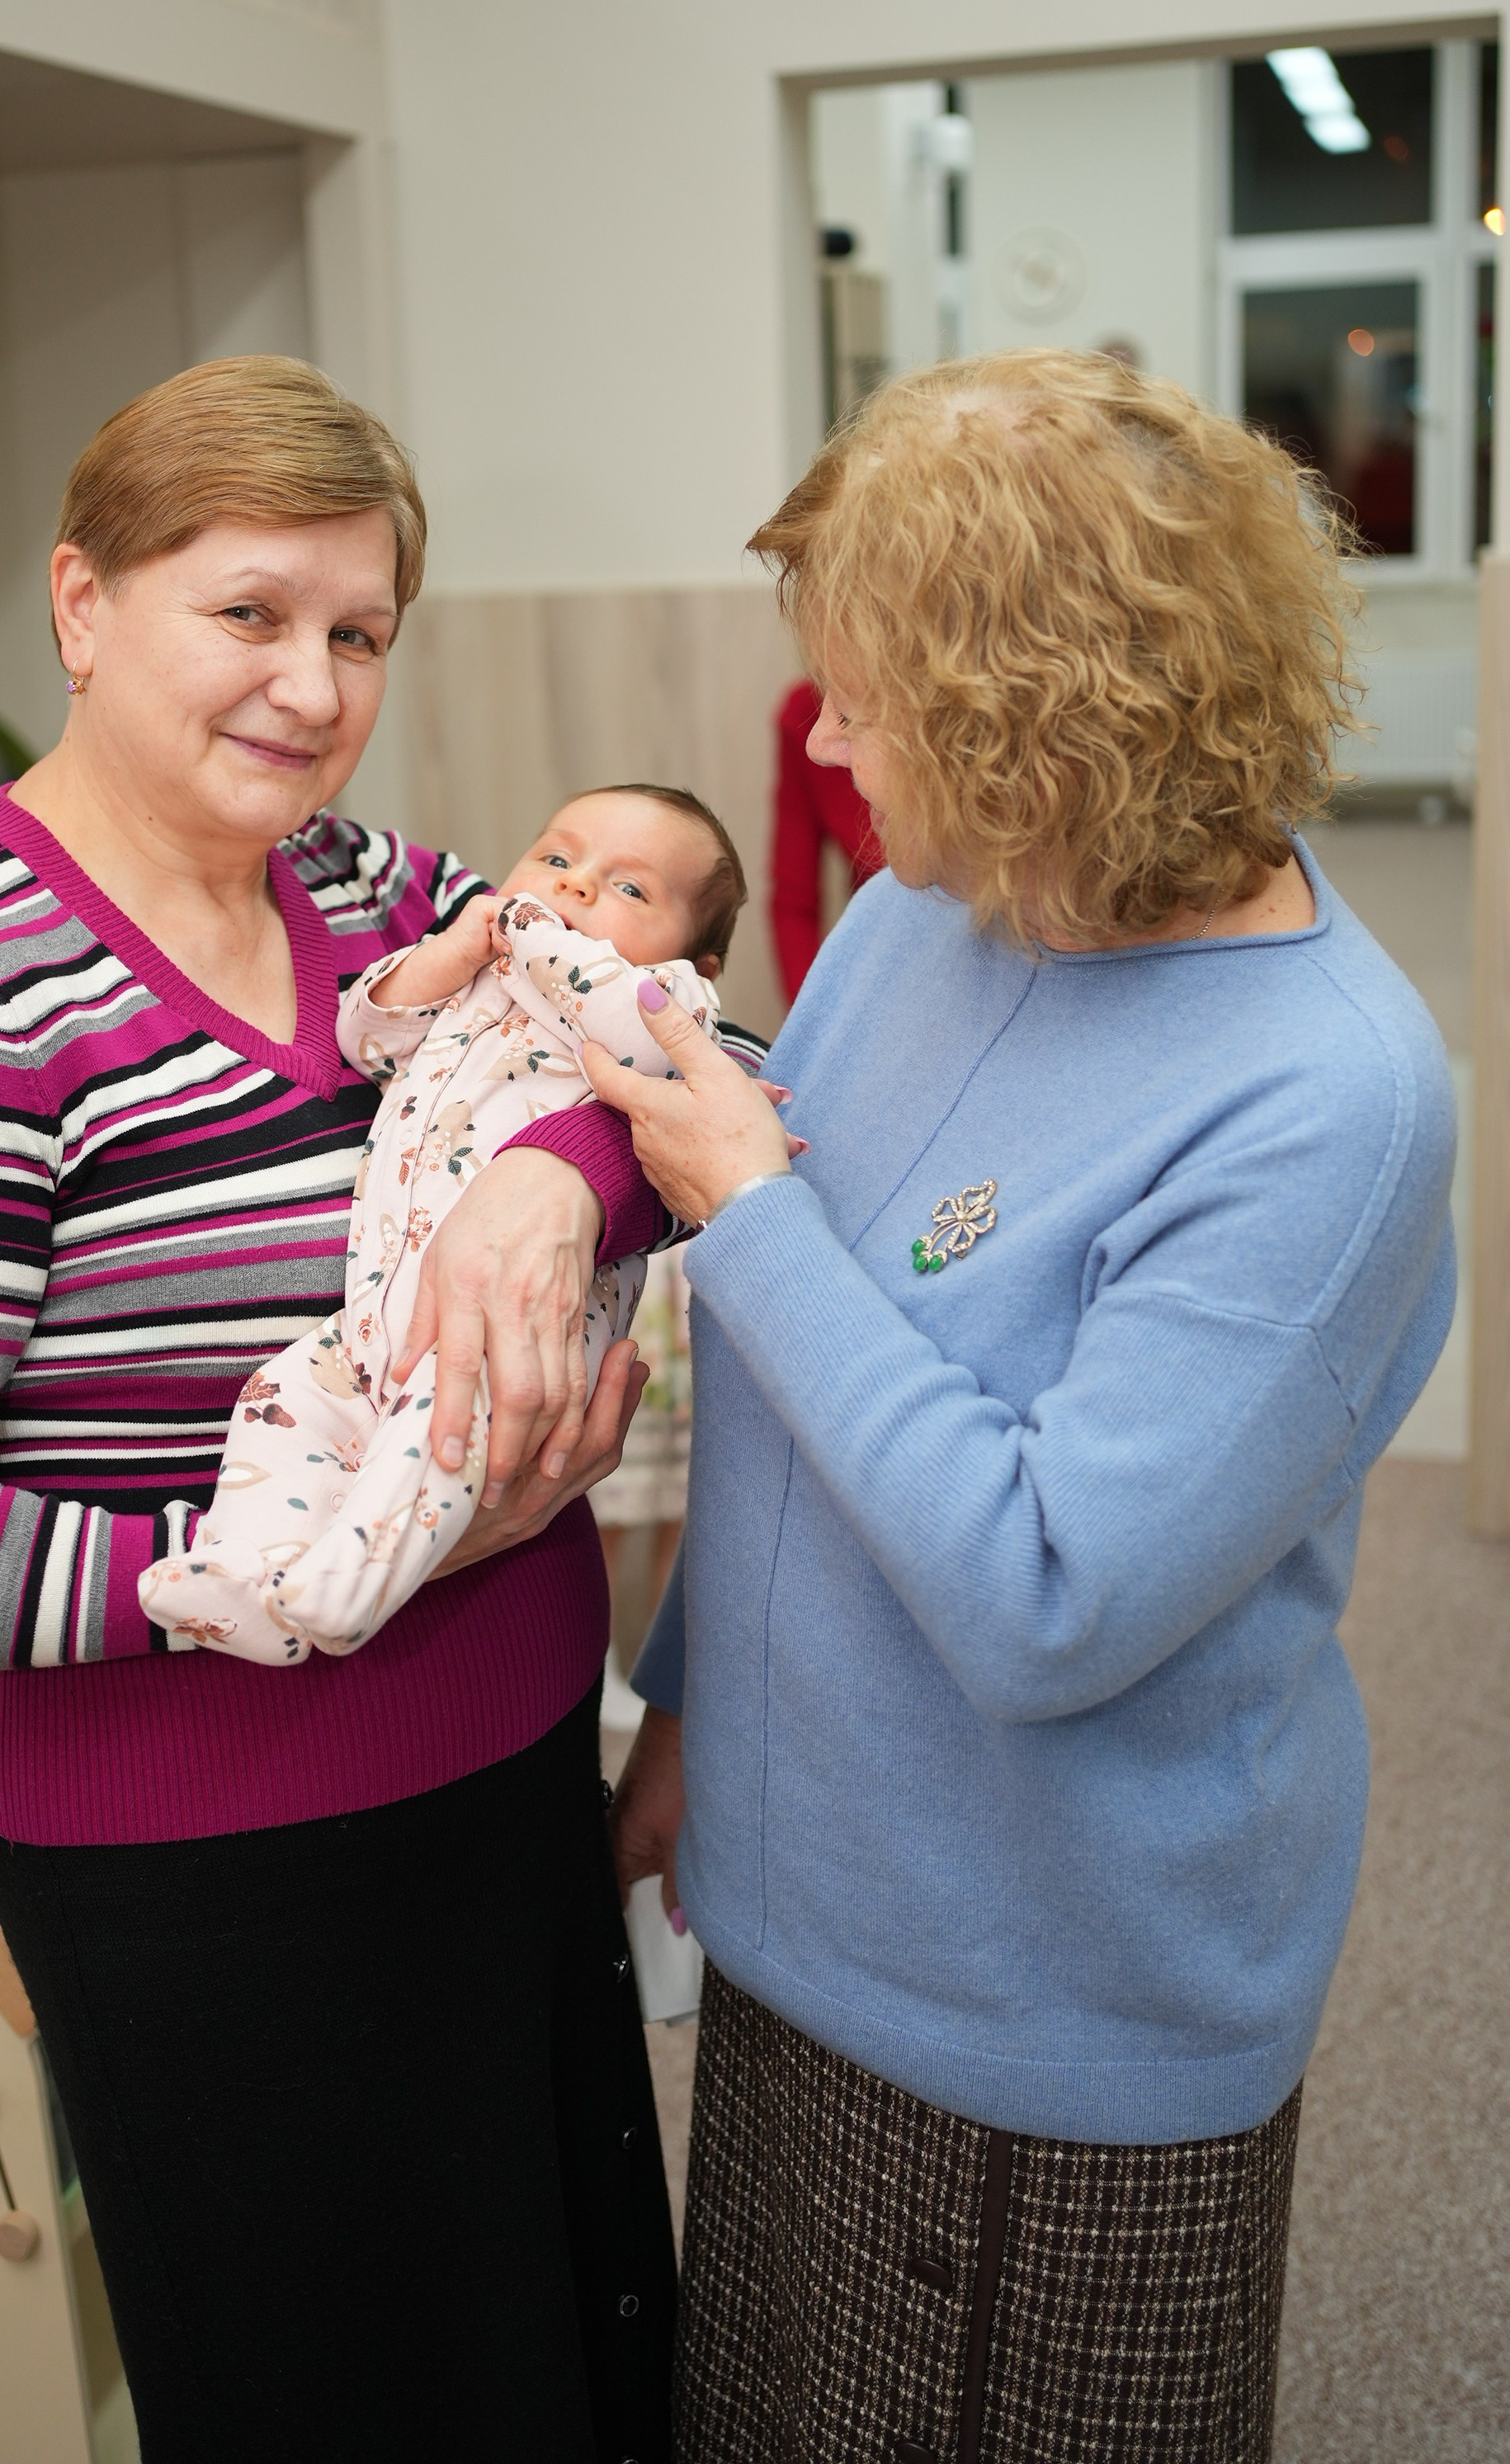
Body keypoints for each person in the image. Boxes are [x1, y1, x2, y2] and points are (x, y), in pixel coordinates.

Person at [0, 357, 688, 2464]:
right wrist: (326, 1569)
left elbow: (665, 1042)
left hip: (508, 1776)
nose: (310, 685)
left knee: (565, 2356)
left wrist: (550, 1180)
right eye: (249, 613)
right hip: (219, 1873)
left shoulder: (372, 891)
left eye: (357, 632)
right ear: (83, 605)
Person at [596, 349, 1456, 2464]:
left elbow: (1048, 1597)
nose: (821, 737)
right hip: (801, 1918)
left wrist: (751, 1219)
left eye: (868, 693)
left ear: (1028, 706)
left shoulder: (1323, 1100)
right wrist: (690, 1708)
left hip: (1041, 2010)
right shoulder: (922, 917)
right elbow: (812, 1414)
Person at [136, 786, 745, 1663]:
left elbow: (675, 1057)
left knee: (436, 1440)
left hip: (512, 1333)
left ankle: (342, 1593)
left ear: (702, 959)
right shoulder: (471, 972)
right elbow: (365, 1035)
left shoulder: (663, 997)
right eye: (557, 858)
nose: (574, 890)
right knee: (282, 1401)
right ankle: (244, 1564)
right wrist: (452, 951)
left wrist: (532, 941)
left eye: (630, 889)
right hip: (377, 1314)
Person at [768, 674, 883, 1002]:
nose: (817, 747)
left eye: (850, 718)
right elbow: (793, 901)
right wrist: (815, 1021)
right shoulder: (804, 714)